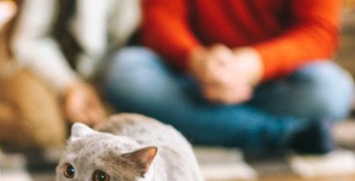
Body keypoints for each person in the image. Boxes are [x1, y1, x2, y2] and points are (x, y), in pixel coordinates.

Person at [104, 0, 355, 157]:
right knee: (126, 73)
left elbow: (318, 32)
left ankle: (210, 124)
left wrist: (254, 64)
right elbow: (160, 21)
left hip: (273, 80)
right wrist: (197, 60)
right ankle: (284, 134)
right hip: (191, 81)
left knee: (331, 90)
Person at [0, 0, 140, 153]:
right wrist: (69, 87)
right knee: (42, 128)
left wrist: (93, 88)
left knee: (112, 130)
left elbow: (117, 42)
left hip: (89, 76)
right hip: (25, 60)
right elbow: (27, 42)